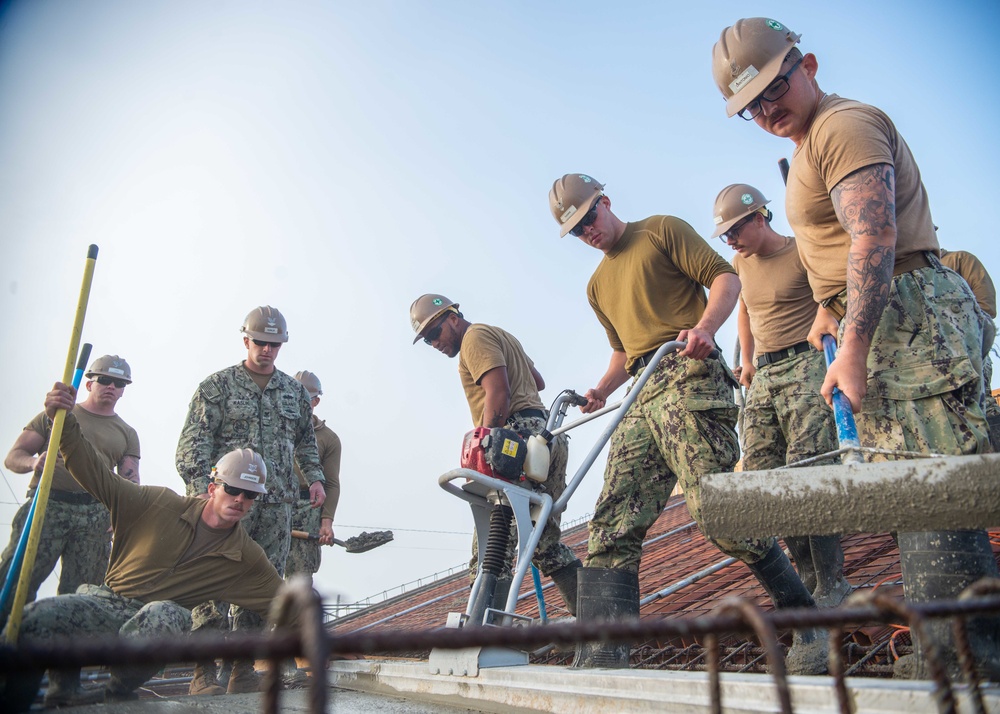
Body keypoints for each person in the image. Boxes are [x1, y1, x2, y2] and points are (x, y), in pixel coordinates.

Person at [712, 17, 1000, 678]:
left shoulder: (841, 127)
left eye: (773, 88)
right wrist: (826, 313)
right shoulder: (813, 141)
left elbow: (873, 239)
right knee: (916, 478)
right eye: (750, 106)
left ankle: (965, 663)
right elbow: (837, 248)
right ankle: (953, 653)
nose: (766, 110)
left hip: (904, 314)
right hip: (884, 318)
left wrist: (853, 344)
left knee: (930, 478)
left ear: (806, 64)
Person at [548, 173, 823, 673]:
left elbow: (726, 278)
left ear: (605, 203)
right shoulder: (596, 286)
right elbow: (621, 350)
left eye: (589, 217)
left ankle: (807, 621)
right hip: (641, 389)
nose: (588, 231)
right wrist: (601, 391)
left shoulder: (660, 230)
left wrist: (704, 329)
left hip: (687, 372)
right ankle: (605, 656)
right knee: (613, 522)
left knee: (718, 509)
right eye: (577, 230)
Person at [1, 382, 285, 711]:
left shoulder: (246, 558)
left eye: (250, 495)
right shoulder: (156, 503)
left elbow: (287, 606)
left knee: (166, 614)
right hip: (108, 607)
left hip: (153, 628)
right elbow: (96, 474)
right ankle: (17, 701)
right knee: (38, 617)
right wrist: (61, 423)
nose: (240, 500)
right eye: (233, 489)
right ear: (212, 487)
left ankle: (116, 691)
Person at [713, 183, 850, 608]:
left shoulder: (800, 251)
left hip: (807, 364)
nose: (730, 241)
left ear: (760, 217)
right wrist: (748, 359)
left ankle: (832, 582)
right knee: (763, 478)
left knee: (807, 471)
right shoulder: (741, 261)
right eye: (724, 235)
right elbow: (745, 312)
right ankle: (805, 578)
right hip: (766, 375)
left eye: (735, 230)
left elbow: (835, 291)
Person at [175, 306, 325, 695]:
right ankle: (204, 672)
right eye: (260, 342)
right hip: (226, 504)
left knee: (262, 586)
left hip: (276, 506)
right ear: (246, 341)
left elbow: (307, 443)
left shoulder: (293, 392)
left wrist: (316, 480)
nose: (267, 350)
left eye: (275, 344)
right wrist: (202, 493)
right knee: (211, 581)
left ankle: (243, 668)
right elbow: (193, 445)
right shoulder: (218, 386)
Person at [409, 294, 582, 616]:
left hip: (516, 439)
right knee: (544, 543)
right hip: (545, 438)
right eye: (427, 339)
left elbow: (498, 392)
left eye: (435, 333)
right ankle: (597, 622)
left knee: (493, 546)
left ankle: (483, 636)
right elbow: (538, 382)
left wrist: (486, 443)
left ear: (453, 318)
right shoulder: (499, 334)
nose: (434, 343)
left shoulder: (474, 337)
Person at [0, 355, 140, 628]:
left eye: (119, 383)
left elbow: (129, 480)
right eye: (105, 380)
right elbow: (13, 456)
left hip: (93, 515)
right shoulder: (57, 414)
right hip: (47, 505)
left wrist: (122, 516)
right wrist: (33, 462)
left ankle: (64, 666)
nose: (111, 387)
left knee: (82, 596)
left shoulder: (126, 433)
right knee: (15, 582)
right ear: (89, 384)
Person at [939, 249, 1000, 439]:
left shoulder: (957, 260)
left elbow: (986, 308)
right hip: (925, 363)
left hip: (966, 350)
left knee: (980, 412)